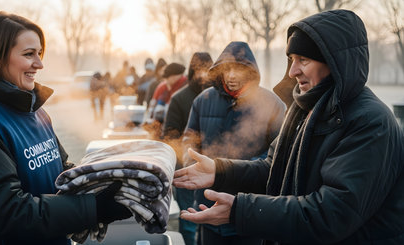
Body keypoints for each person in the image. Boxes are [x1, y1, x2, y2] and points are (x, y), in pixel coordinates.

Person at [173, 9, 404, 244]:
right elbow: (274, 169)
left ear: (336, 62)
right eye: (292, 60)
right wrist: (220, 171)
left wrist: (240, 210)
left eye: (303, 60)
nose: (293, 71)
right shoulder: (305, 110)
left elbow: (331, 214)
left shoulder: (371, 122)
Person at [0, 12, 132, 245]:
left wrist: (103, 183)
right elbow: (3, 212)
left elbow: (61, 171)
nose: (39, 64)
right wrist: (91, 209)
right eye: (29, 54)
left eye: (39, 53)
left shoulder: (34, 109)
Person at [180, 42, 285, 245]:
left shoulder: (272, 104)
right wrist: (191, 163)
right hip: (207, 206)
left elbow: (279, 156)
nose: (232, 76)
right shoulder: (203, 100)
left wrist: (239, 172)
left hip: (249, 210)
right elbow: (189, 140)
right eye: (226, 69)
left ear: (250, 71)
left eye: (238, 69)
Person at [162, 52, 214, 245]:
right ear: (192, 71)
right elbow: (169, 136)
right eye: (200, 70)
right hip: (186, 169)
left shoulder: (219, 98)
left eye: (208, 70)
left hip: (215, 169)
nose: (204, 75)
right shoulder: (179, 98)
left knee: (211, 221)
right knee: (190, 222)